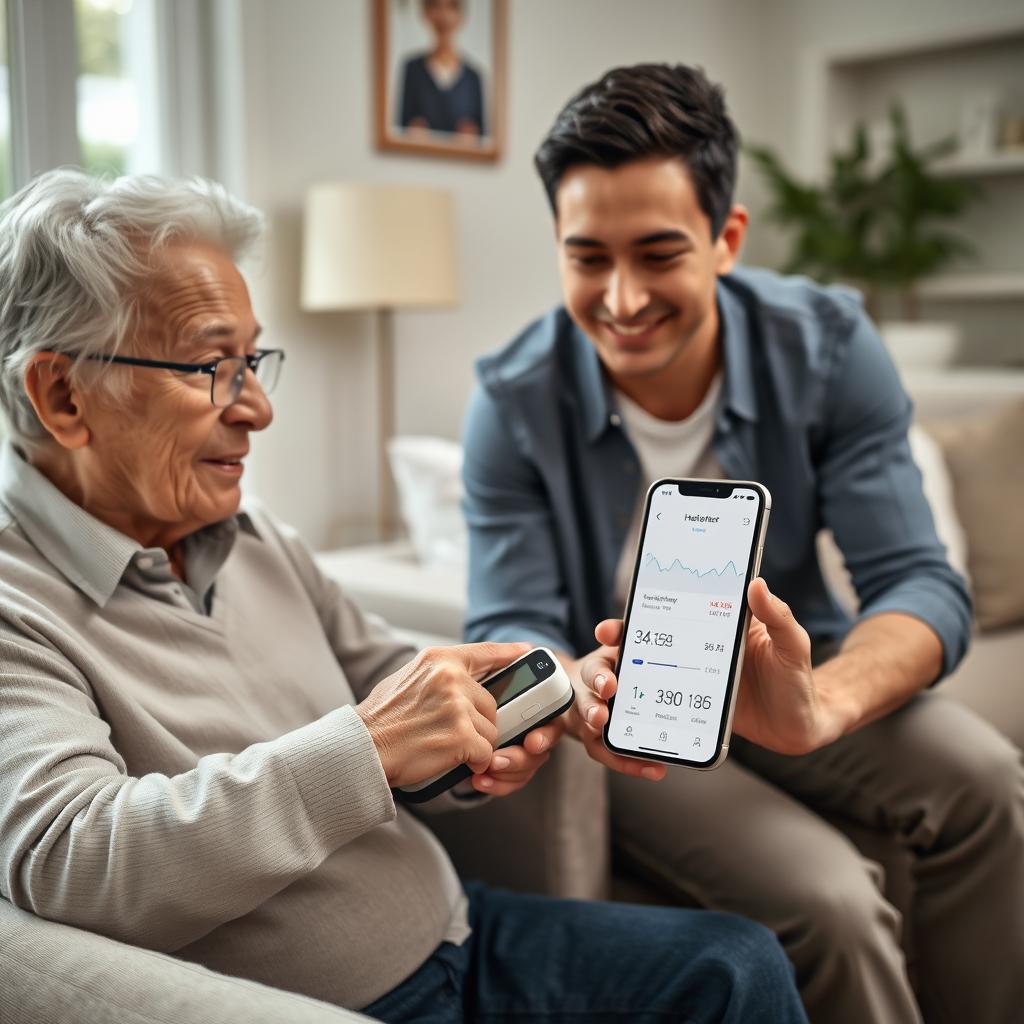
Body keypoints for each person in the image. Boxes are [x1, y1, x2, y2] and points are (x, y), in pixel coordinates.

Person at [0, 169, 809, 1024]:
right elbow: (71, 857)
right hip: (341, 1003)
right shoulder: (17, 607)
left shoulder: (254, 537)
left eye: (252, 361)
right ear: (62, 396)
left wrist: (552, 694)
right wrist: (372, 745)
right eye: (210, 366)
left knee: (735, 962)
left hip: (463, 932)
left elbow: (390, 670)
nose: (260, 409)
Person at [462, 63, 1024, 1024]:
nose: (622, 299)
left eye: (657, 253)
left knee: (989, 781)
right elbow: (507, 615)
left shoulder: (829, 346)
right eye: (587, 257)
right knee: (834, 903)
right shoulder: (511, 401)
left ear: (726, 240)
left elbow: (921, 584)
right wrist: (568, 681)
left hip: (796, 667)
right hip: (636, 711)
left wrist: (822, 701)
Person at [396, 0, 486, 139]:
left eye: (451, 7)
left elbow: (483, 138)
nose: (443, 16)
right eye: (435, 6)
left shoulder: (474, 78)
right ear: (425, 13)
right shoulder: (412, 70)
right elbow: (402, 128)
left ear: (461, 15)